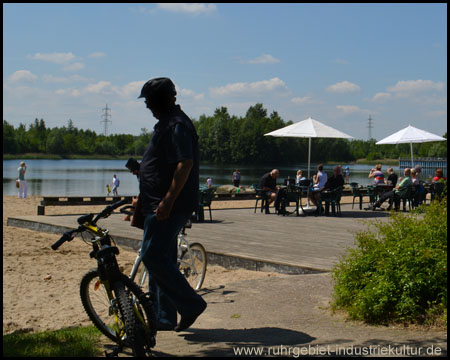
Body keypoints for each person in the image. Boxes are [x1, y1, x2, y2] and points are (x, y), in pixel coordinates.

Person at [137, 77, 206, 332]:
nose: (147, 106)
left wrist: (167, 200)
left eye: (149, 101)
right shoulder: (168, 123)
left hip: (168, 206)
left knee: (151, 255)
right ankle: (163, 317)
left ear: (163, 99)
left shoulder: (177, 125)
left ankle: (190, 305)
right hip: (158, 202)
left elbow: (184, 163)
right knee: (162, 257)